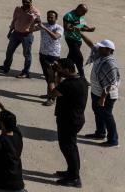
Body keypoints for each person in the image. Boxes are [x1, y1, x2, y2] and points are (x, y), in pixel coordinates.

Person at [48, 57, 89, 187]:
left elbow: (52, 93)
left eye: (60, 68)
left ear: (67, 69)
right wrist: (59, 74)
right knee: (71, 147)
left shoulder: (68, 84)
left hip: (69, 121)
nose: (58, 70)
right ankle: (71, 171)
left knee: (68, 148)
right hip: (76, 119)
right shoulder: (81, 80)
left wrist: (54, 75)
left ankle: (75, 178)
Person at [80, 32, 119, 147]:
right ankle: (100, 133)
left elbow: (110, 84)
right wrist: (80, 33)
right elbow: (91, 44)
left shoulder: (110, 64)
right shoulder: (101, 55)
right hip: (96, 91)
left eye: (102, 47)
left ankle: (113, 140)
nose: (99, 48)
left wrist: (102, 98)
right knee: (97, 113)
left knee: (107, 115)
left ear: (109, 50)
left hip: (106, 96)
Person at [0, 0, 41, 78]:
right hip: (16, 33)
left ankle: (26, 72)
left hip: (26, 36)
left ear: (31, 2)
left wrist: (32, 27)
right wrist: (10, 31)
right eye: (23, 1)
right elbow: (14, 20)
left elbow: (38, 22)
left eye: (27, 2)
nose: (25, 3)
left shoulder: (35, 11)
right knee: (9, 51)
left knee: (26, 54)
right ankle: (6, 67)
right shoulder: (18, 9)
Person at [36, 10, 64, 105]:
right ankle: (50, 93)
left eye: (51, 17)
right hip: (43, 54)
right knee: (47, 76)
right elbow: (31, 29)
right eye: (48, 17)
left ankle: (52, 98)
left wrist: (44, 28)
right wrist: (34, 22)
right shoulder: (43, 24)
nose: (49, 19)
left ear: (56, 18)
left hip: (53, 55)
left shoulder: (59, 28)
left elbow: (55, 37)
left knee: (51, 77)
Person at [63, 4, 95, 77]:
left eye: (85, 13)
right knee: (79, 58)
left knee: (71, 58)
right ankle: (82, 76)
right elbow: (66, 28)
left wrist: (89, 29)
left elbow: (83, 26)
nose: (84, 14)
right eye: (83, 12)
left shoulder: (81, 16)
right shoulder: (69, 16)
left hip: (78, 40)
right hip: (71, 39)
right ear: (78, 9)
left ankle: (63, 71)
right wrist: (75, 28)